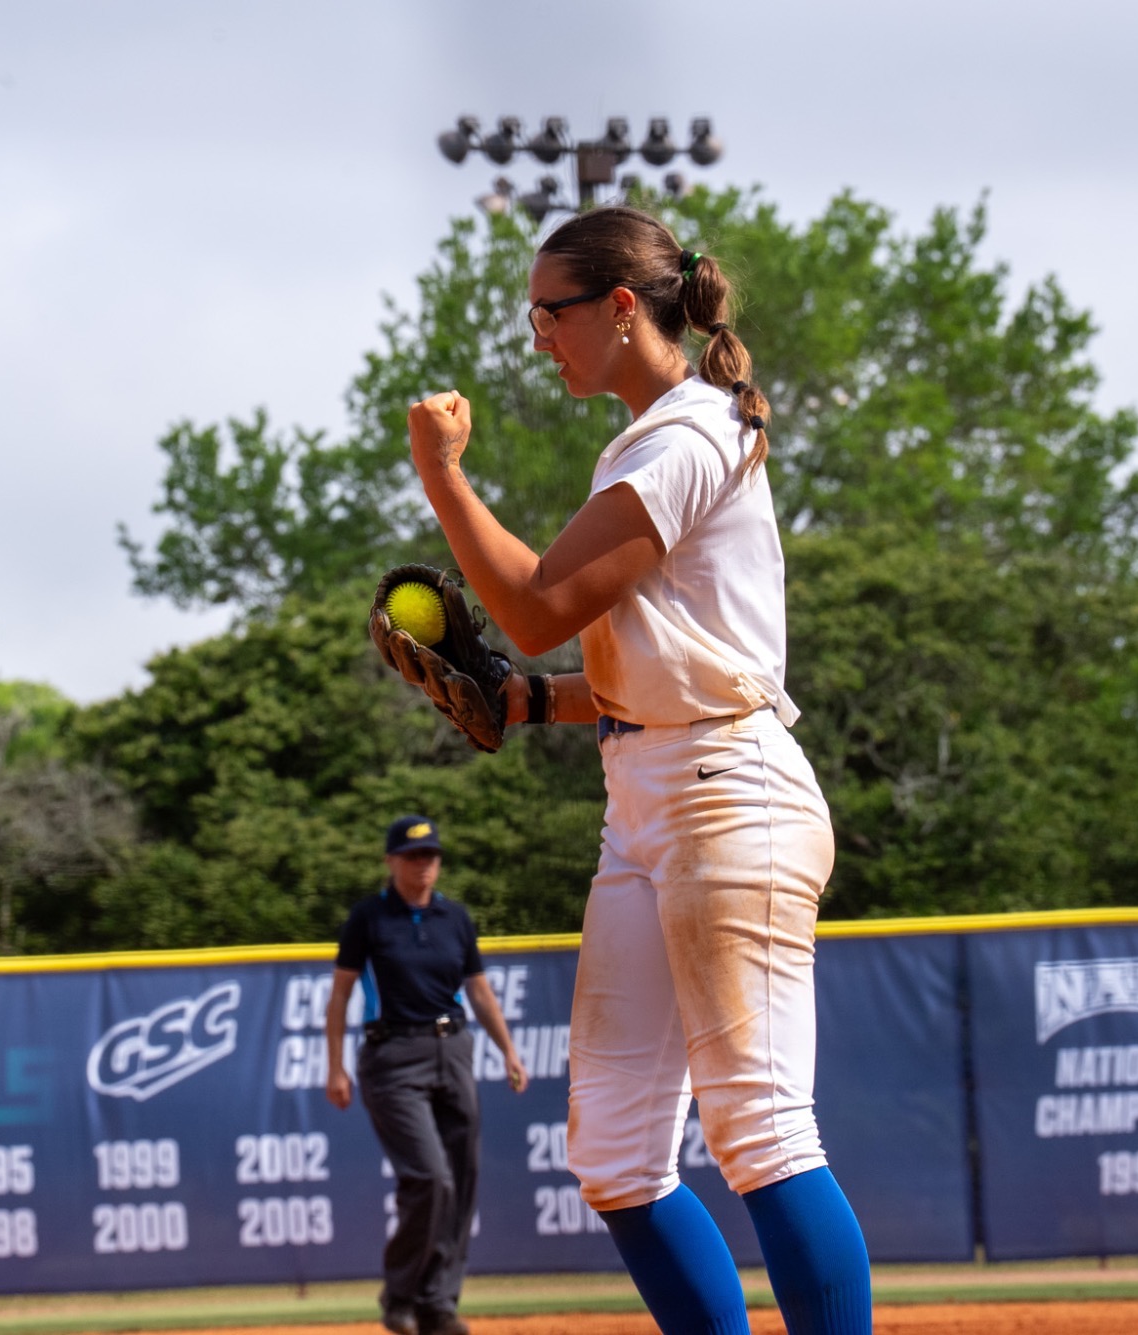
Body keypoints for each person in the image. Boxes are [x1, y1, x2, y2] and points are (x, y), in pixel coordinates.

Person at [395, 207, 874, 1335]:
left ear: (619, 308)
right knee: (612, 1153)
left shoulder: (689, 434)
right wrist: (523, 700)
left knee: (758, 1128)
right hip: (649, 797)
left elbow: (532, 604)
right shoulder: (661, 437)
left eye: (546, 314)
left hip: (727, 792)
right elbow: (642, 669)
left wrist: (441, 477)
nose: (536, 337)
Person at [325, 814, 530, 1335]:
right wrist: (335, 1066)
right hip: (392, 1056)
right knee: (429, 1178)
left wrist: (507, 1049)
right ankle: (401, 1295)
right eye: (414, 857)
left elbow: (479, 991)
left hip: (452, 1048)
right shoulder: (368, 919)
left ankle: (438, 1304)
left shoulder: (454, 918)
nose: (424, 866)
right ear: (391, 860)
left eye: (431, 857)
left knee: (461, 1180)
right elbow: (341, 995)